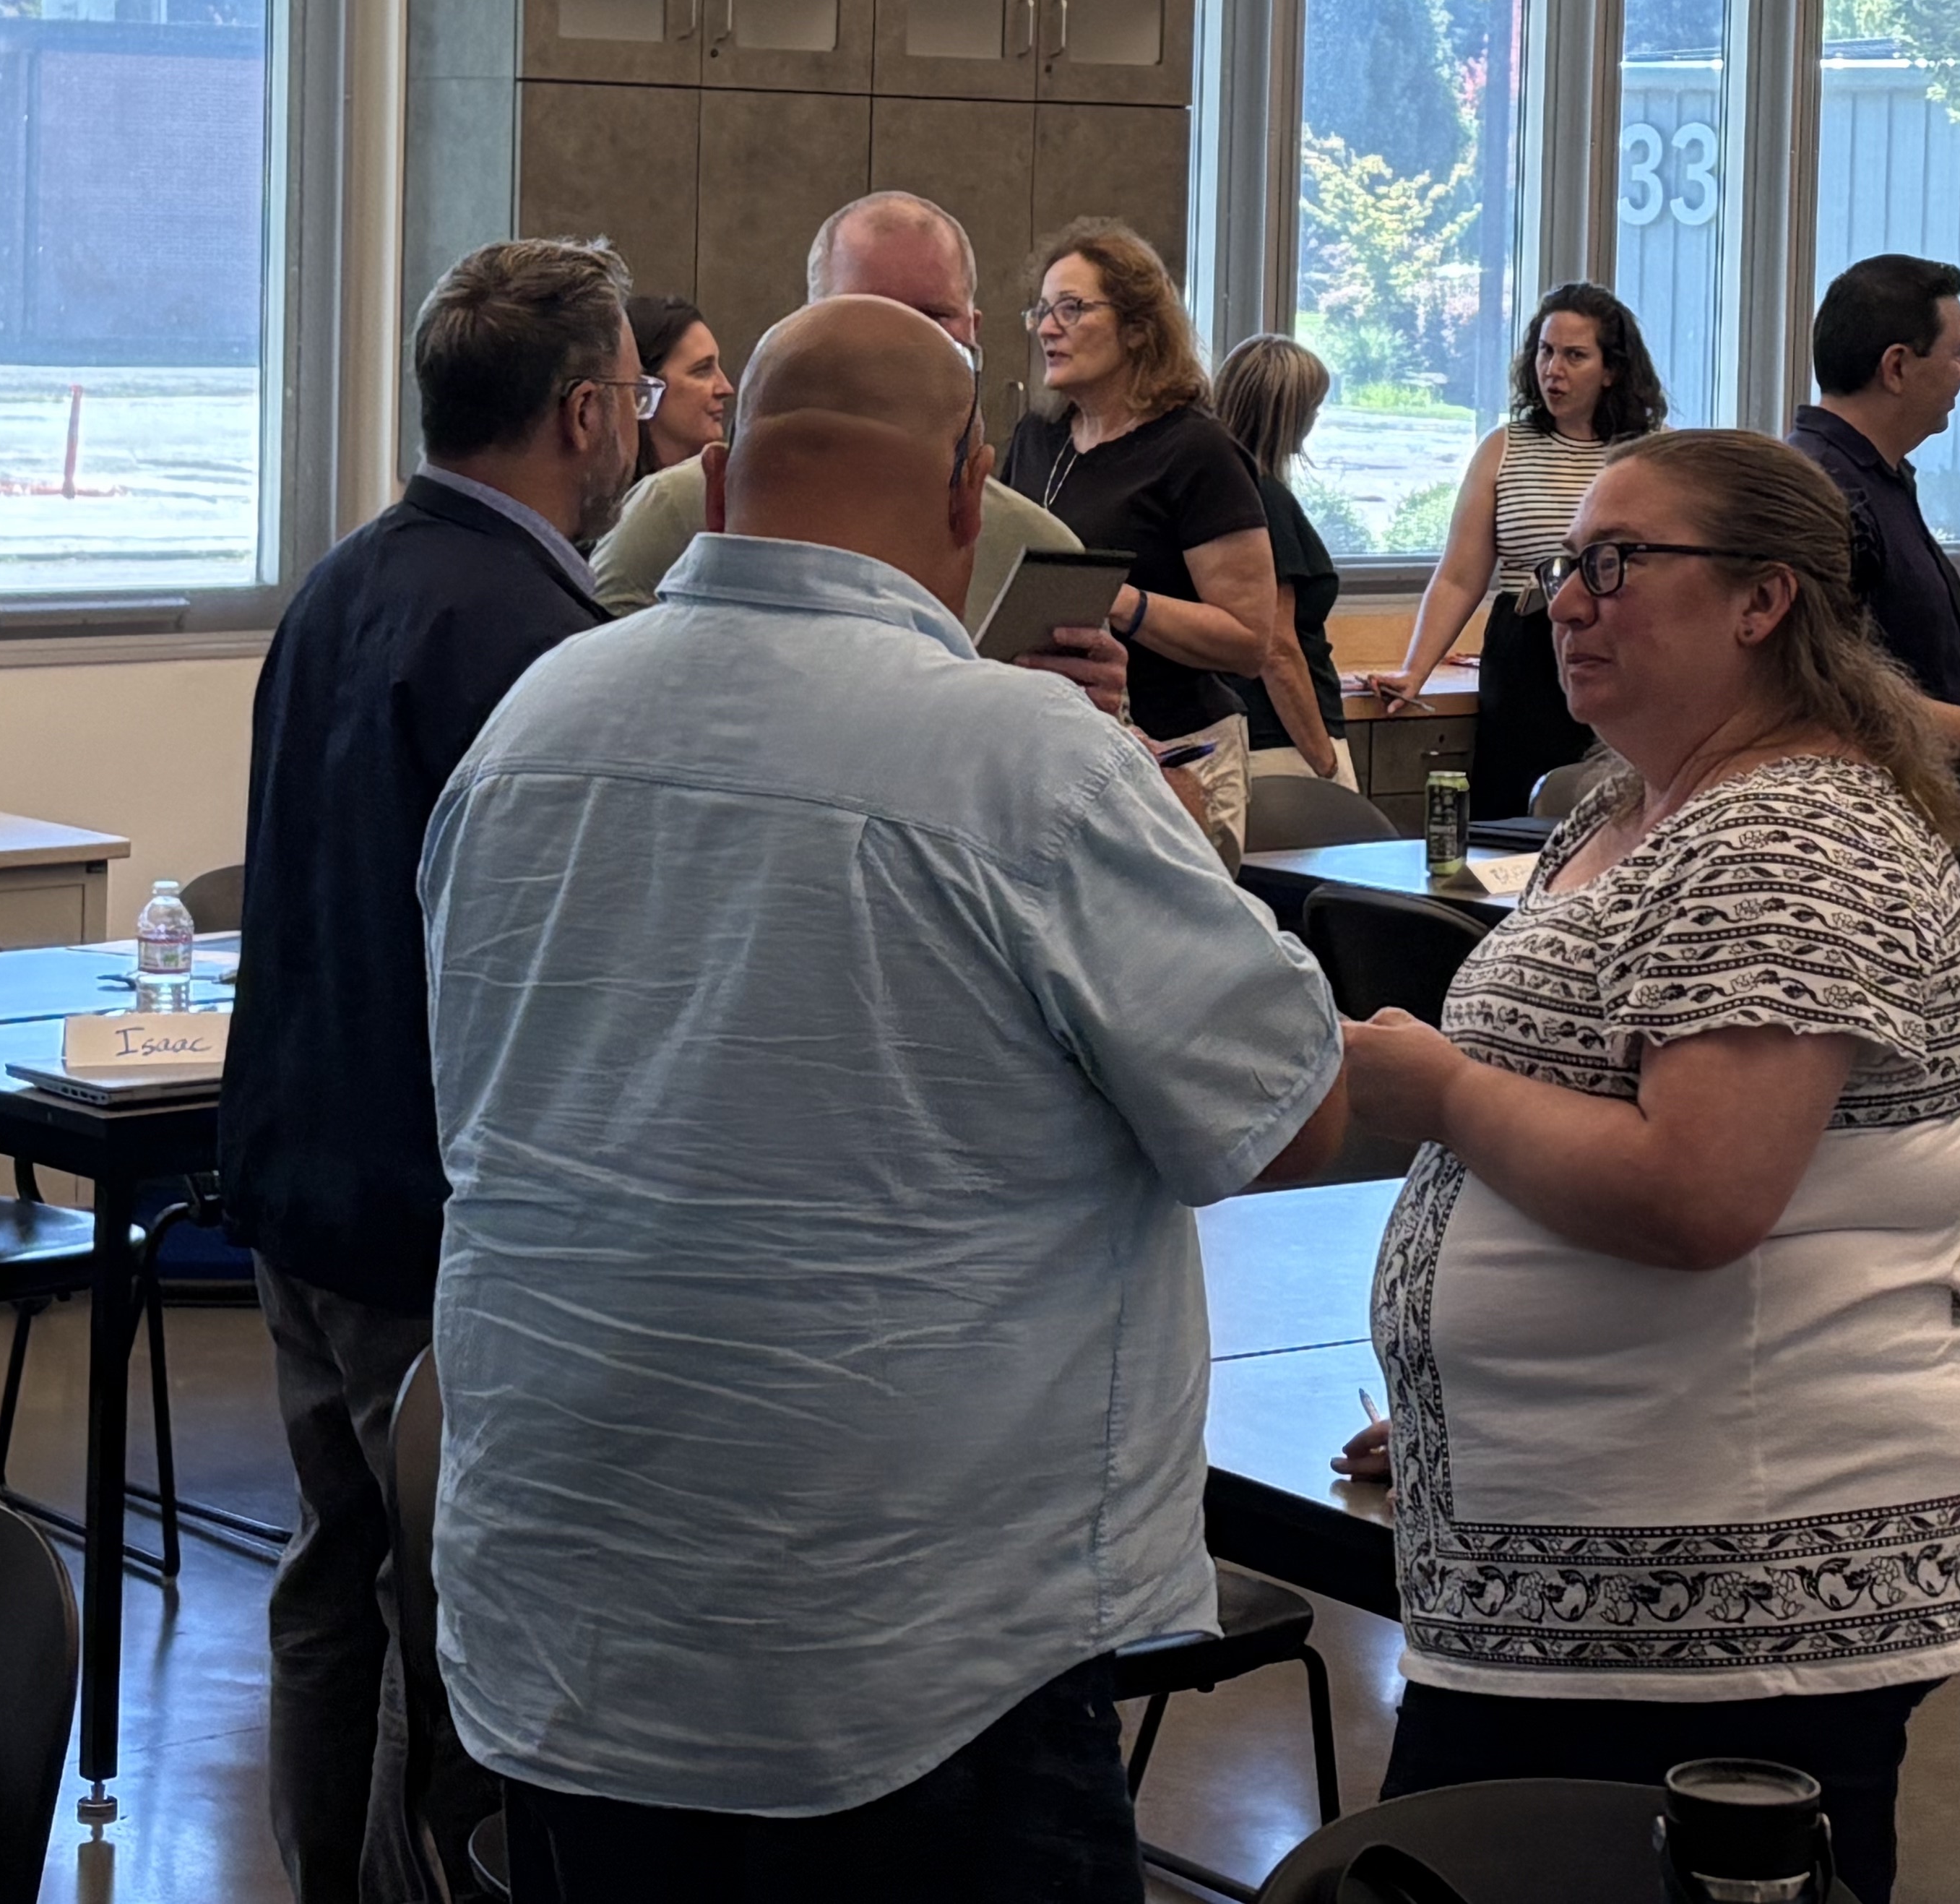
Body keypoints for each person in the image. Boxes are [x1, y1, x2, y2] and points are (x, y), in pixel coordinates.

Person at [423, 295, 1349, 1898]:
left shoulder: (530, 728)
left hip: (570, 1621)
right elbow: (1279, 1104)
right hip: (911, 1654)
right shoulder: (1022, 760)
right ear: (967, 490)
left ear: (712, 486)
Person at [1333, 429, 1960, 1900]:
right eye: (1556, 571)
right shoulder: (1629, 803)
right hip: (1602, 1560)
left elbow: (1699, 1193)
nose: (1565, 604)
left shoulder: (1788, 835)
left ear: (1762, 601)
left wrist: (1443, 1090)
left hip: (1732, 1610)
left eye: (1612, 564)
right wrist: (1493, 1405)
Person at [220, 240, 637, 1904]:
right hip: (437, 1208)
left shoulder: (343, 582)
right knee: (458, 1605)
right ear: (588, 412)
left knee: (335, 1571)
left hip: (300, 1176)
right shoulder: (536, 636)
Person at [592, 194, 1082, 636]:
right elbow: (606, 684)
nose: (901, 340)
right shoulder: (671, 513)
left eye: (932, 317)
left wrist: (1088, 701)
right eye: (865, 309)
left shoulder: (1037, 551)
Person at [1000, 220, 1281, 848]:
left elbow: (1247, 641)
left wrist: (1111, 597)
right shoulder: (1036, 440)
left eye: (1072, 309)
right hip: (1057, 746)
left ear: (1137, 326)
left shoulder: (1196, 451)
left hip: (1180, 753)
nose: (1048, 327)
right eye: (1042, 310)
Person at [1788, 254, 1960, 850]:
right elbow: (1817, 692)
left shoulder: (1878, 480)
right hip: (1867, 850)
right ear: (1896, 367)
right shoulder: (1821, 494)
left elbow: (1896, 667)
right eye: (1956, 352)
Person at [1370, 284, 1667, 817]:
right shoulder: (1505, 446)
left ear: (1611, 370)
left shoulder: (1649, 451)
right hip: (1526, 646)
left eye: (1575, 356)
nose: (1554, 369)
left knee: (1616, 808)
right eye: (1545, 352)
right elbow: (1460, 576)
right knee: (1514, 809)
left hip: (1619, 641)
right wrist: (1416, 669)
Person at [1209, 334, 1347, 785]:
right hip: (1286, 745)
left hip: (1238, 731)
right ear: (1287, 416)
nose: (1315, 419)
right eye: (1312, 408)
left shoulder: (1215, 495)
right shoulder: (1266, 500)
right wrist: (1325, 762)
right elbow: (1277, 651)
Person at [624, 294, 730, 478]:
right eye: (703, 371)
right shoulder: (598, 501)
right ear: (643, 391)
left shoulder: (734, 495)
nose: (726, 388)